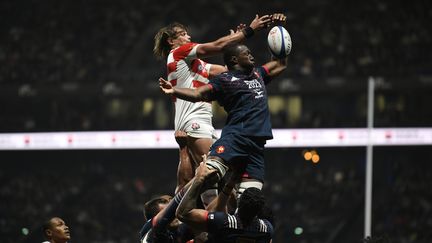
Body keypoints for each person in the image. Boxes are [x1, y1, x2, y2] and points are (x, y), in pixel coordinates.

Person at [153, 13, 286, 197]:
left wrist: (234, 42)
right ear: (171, 41)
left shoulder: (195, 64)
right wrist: (249, 30)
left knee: (195, 180)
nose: (189, 37)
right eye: (183, 34)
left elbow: (230, 71)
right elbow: (217, 46)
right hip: (194, 119)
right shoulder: (178, 53)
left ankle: (176, 219)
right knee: (211, 176)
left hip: (198, 120)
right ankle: (213, 221)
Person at [176, 162, 274, 243]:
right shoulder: (267, 229)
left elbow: (183, 213)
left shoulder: (224, 222)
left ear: (239, 203)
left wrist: (199, 179)